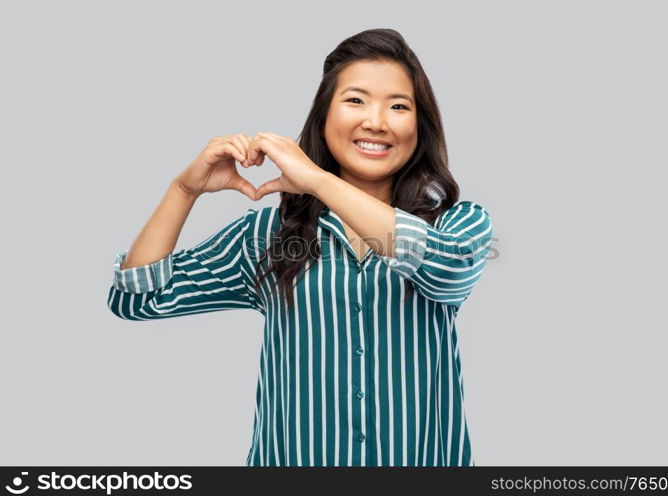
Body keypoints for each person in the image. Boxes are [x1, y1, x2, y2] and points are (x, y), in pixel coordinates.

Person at [107, 28, 493, 467]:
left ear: (419, 126)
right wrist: (183, 189)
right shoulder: (268, 236)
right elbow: (136, 299)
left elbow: (447, 271)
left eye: (399, 106)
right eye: (356, 100)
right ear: (323, 117)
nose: (377, 121)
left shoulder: (457, 222)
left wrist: (316, 179)